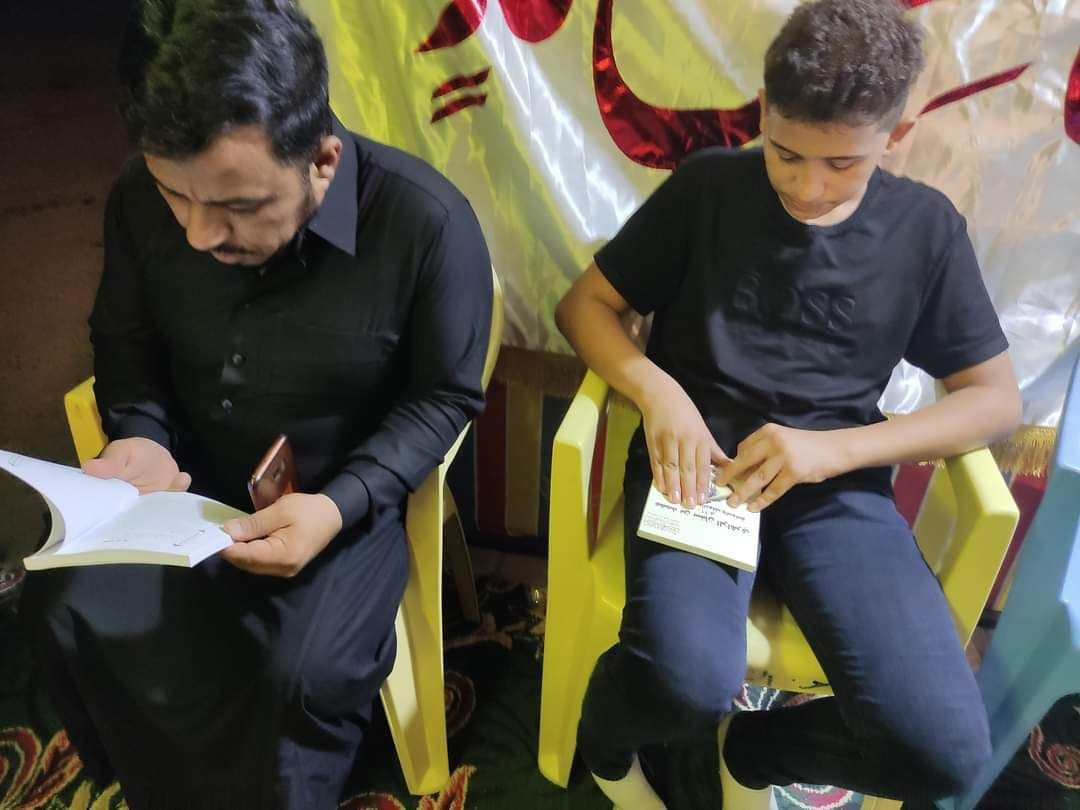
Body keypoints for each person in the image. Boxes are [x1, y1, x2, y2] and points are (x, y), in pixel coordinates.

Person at [20, 0, 493, 806]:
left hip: (337, 496)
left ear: (323, 160)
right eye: (177, 197)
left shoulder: (425, 224)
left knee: (295, 674)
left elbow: (442, 397)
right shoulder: (138, 196)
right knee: (61, 601)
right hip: (185, 478)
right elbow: (125, 343)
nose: (199, 234)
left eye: (239, 207)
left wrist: (340, 505)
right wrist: (143, 434)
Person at [555, 0, 1022, 807]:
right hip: (700, 467)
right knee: (684, 680)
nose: (808, 187)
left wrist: (835, 451)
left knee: (945, 752)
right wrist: (656, 389)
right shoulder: (709, 187)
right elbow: (584, 307)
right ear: (765, 111)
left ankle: (756, 750)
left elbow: (995, 399)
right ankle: (601, 744)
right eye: (785, 153)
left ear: (896, 133)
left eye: (842, 164)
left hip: (835, 489)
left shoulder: (925, 230)